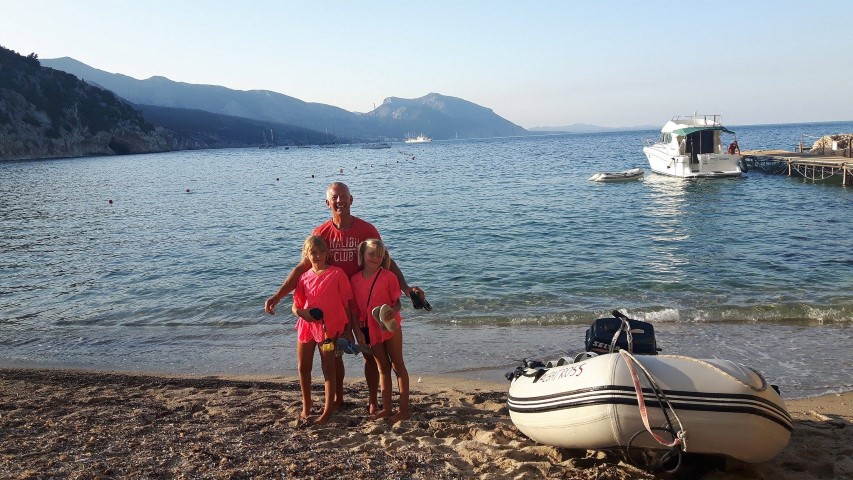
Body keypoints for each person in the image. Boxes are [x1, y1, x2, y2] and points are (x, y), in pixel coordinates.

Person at [265, 182, 428, 412]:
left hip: (364, 303)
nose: (339, 201)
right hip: (336, 306)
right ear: (328, 203)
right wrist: (278, 295)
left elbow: (387, 261)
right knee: (335, 354)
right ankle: (338, 399)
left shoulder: (367, 230)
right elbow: (303, 267)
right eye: (335, 197)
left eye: (343, 196)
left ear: (351, 199)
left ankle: (373, 402)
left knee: (369, 355)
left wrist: (406, 289)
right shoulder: (321, 233)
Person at [291, 235, 353, 424]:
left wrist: (348, 329)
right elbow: (295, 305)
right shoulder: (303, 277)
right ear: (306, 255)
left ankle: (328, 410)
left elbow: (347, 304)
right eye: (313, 253)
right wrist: (301, 313)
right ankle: (306, 405)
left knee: (328, 367)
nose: (317, 256)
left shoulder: (337, 273)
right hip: (307, 327)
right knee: (303, 367)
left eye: (321, 252)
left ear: (327, 253)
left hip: (329, 329)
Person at [350, 239, 410, 423]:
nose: (375, 258)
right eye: (371, 254)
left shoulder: (389, 276)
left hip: (390, 325)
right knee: (382, 368)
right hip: (370, 328)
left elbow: (397, 302)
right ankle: (387, 408)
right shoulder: (354, 280)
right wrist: (357, 332)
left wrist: (394, 310)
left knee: (398, 365)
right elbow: (354, 311)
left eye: (379, 255)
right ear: (362, 254)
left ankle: (403, 409)